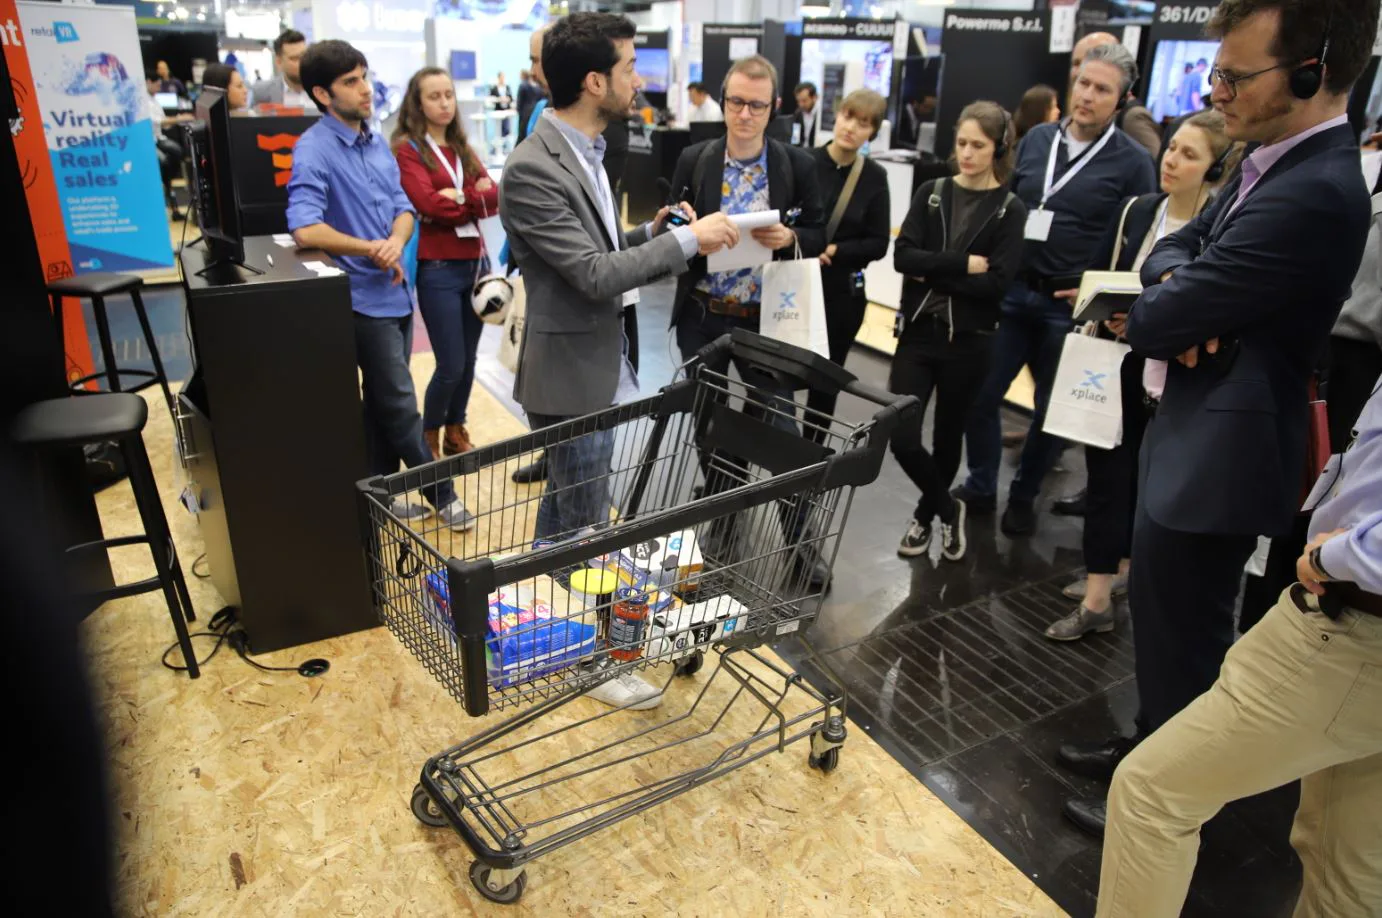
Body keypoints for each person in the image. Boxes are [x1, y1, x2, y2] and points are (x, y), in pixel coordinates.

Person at [1058, 0, 1375, 843]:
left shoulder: (1317, 188)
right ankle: (1147, 750)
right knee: (1164, 624)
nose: (1215, 92)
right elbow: (1177, 249)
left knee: (1190, 636)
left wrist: (1174, 307)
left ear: (1310, 72)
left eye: (1235, 76)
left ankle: (1167, 804)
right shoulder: (1263, 159)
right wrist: (1179, 294)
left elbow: (1156, 315)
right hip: (1192, 427)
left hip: (1224, 452)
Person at [499, 13, 738, 707]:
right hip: (569, 375)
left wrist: (649, 233)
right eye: (630, 67)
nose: (640, 80)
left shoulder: (586, 148)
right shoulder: (533, 166)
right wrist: (689, 242)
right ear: (595, 81)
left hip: (595, 363)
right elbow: (593, 276)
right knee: (584, 531)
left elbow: (600, 250)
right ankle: (595, 662)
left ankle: (547, 626)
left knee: (566, 518)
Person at [1045, 112, 1241, 642]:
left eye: (1189, 154)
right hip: (1117, 362)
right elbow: (1100, 272)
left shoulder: (1220, 229)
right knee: (1108, 477)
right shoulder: (1137, 210)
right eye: (1172, 148)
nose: (1171, 160)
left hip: (1179, 375)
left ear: (1216, 169)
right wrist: (1102, 305)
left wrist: (1150, 321)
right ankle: (1097, 596)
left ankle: (1124, 571)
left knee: (1150, 483)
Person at [955, 43, 1156, 538]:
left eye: (1102, 89)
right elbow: (1008, 207)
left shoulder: (1132, 162)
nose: (1087, 95)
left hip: (1069, 308)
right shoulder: (1038, 140)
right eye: (1083, 83)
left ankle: (1024, 496)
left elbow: (1138, 239)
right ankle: (981, 483)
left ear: (1122, 99)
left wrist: (1101, 294)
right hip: (1012, 293)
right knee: (979, 395)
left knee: (1051, 412)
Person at [287, 40, 476, 532]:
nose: (365, 88)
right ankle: (442, 493)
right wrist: (369, 248)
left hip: (394, 292)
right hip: (358, 300)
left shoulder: (375, 143)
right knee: (399, 403)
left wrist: (393, 241)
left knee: (379, 407)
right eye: (351, 82)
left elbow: (403, 208)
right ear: (323, 94)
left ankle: (380, 498)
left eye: (365, 77)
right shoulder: (314, 149)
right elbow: (304, 227)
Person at [666, 55, 828, 589]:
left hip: (766, 321)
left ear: (773, 107)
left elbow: (820, 229)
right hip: (703, 315)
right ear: (723, 100)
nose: (744, 114)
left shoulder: (795, 165)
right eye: (736, 102)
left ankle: (801, 542)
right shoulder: (695, 159)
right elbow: (669, 225)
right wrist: (687, 230)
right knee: (709, 428)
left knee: (781, 430)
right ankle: (725, 521)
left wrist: (793, 238)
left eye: (756, 105)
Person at [891, 102, 1027, 562]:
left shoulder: (1009, 209)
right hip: (918, 333)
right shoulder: (932, 191)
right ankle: (950, 508)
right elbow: (902, 257)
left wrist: (931, 272)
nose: (967, 154)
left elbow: (996, 285)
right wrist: (960, 265)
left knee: (948, 438)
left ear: (999, 149)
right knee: (901, 435)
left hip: (970, 342)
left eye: (978, 146)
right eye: (962, 143)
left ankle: (925, 515)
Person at [393, 67, 500, 460]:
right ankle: (430, 435)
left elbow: (495, 197)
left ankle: (456, 429)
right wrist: (471, 196)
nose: (444, 103)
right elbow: (426, 203)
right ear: (418, 103)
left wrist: (456, 198)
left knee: (469, 361)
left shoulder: (462, 148)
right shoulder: (409, 150)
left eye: (448, 95)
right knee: (451, 364)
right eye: (434, 96)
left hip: (476, 266)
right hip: (438, 267)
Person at [807, 89, 890, 425]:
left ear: (873, 132)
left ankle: (812, 455)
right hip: (797, 286)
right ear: (837, 115)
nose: (852, 127)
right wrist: (807, 245)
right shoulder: (805, 162)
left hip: (841, 295)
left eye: (864, 123)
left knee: (824, 388)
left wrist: (836, 250)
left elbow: (878, 243)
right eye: (848, 116)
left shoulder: (874, 177)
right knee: (773, 380)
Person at [1071, 33, 1162, 158]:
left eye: (1102, 89)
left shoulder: (1133, 117)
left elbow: (1154, 161)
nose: (1078, 71)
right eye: (1076, 63)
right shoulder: (1047, 136)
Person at [252, 30, 312, 109]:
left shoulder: (324, 89)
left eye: (304, 56)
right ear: (279, 62)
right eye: (294, 58)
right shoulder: (262, 93)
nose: (302, 62)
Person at [516, 67, 544, 142]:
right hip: (536, 112)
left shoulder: (522, 85)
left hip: (524, 113)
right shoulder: (537, 87)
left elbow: (519, 101)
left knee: (522, 135)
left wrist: (518, 111)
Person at [793, 81, 819, 148]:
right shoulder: (798, 114)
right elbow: (795, 138)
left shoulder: (820, 116)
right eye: (798, 101)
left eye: (804, 101)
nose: (801, 105)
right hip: (800, 151)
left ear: (814, 97)